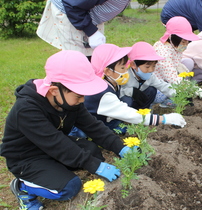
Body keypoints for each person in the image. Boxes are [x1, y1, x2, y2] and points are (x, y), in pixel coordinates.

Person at [0, 50, 133, 210]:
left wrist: (121, 147)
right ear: (54, 91)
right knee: (69, 188)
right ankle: (23, 187)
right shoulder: (27, 109)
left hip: (50, 147)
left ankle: (52, 172)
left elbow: (93, 126)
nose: (82, 100)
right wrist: (94, 165)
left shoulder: (68, 101)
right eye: (78, 96)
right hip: (26, 158)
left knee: (92, 151)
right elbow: (56, 143)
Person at [81, 44, 186, 136]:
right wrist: (163, 119)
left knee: (122, 129)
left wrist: (182, 94)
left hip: (104, 118)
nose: (125, 72)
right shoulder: (102, 93)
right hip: (88, 127)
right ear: (108, 71)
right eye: (122, 68)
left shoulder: (108, 83)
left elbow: (163, 86)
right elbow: (127, 113)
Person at [36, 0, 130, 60]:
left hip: (87, 13)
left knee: (92, 60)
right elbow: (73, 5)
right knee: (77, 63)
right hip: (72, 14)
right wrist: (91, 31)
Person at [153, 16, 202, 105]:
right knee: (174, 96)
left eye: (187, 42)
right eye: (183, 42)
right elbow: (173, 79)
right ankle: (166, 103)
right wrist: (192, 88)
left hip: (167, 78)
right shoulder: (163, 52)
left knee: (188, 63)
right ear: (173, 37)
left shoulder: (174, 46)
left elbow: (175, 64)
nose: (185, 45)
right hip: (157, 85)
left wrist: (180, 68)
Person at [120, 41, 179, 110]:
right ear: (133, 65)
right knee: (126, 99)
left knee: (151, 90)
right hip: (125, 103)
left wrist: (179, 94)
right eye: (147, 67)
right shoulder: (124, 76)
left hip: (139, 101)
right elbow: (116, 92)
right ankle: (125, 117)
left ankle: (144, 112)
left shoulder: (150, 76)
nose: (151, 70)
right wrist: (131, 91)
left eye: (154, 66)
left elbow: (163, 86)